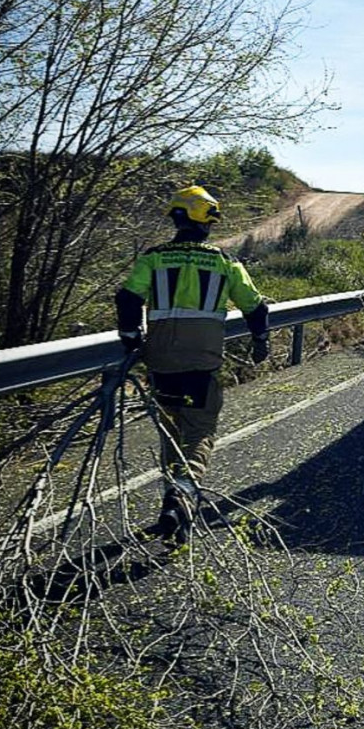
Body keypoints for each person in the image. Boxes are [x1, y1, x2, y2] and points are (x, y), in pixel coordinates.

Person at [116, 185, 270, 544]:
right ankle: (182, 496)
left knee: (171, 431)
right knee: (199, 432)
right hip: (201, 362)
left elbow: (127, 298)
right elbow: (255, 307)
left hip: (161, 363)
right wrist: (260, 341)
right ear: (206, 220)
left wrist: (131, 338)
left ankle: (173, 502)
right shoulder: (223, 261)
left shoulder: (154, 257)